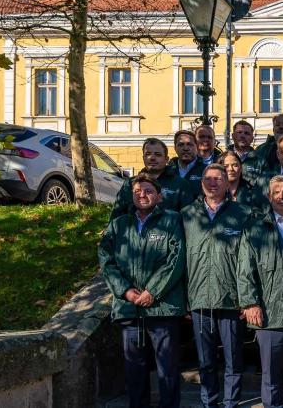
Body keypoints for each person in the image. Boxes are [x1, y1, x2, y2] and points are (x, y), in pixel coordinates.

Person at [98, 174, 186, 408]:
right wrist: (125, 291)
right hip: (130, 308)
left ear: (158, 196)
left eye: (148, 191)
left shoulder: (172, 220)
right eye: (138, 191)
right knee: (134, 369)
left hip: (162, 308)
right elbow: (106, 259)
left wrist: (153, 291)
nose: (142, 194)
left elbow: (175, 260)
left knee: (167, 368)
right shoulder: (119, 225)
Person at [237, 175, 283, 408]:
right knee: (271, 375)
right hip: (270, 312)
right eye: (277, 192)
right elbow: (244, 268)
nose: (282, 196)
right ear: (269, 197)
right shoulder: (255, 228)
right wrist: (250, 303)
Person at [181, 163, 250, 408]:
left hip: (231, 297)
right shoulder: (188, 215)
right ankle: (208, 401)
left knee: (233, 358)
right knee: (205, 359)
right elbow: (181, 259)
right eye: (208, 179)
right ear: (202, 183)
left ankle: (231, 401)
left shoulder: (241, 213)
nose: (213, 183)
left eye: (218, 179)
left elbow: (247, 259)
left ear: (226, 182)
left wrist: (246, 298)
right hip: (199, 297)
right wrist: (185, 298)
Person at [110, 137, 186, 220]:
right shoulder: (129, 183)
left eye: (158, 154)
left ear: (166, 159)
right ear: (143, 158)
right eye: (148, 154)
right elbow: (116, 216)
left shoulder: (180, 184)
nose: (152, 158)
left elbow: (187, 218)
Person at [168, 129, 206, 203]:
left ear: (197, 147)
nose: (185, 148)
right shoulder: (167, 172)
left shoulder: (206, 171)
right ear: (175, 148)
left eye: (189, 144)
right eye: (181, 144)